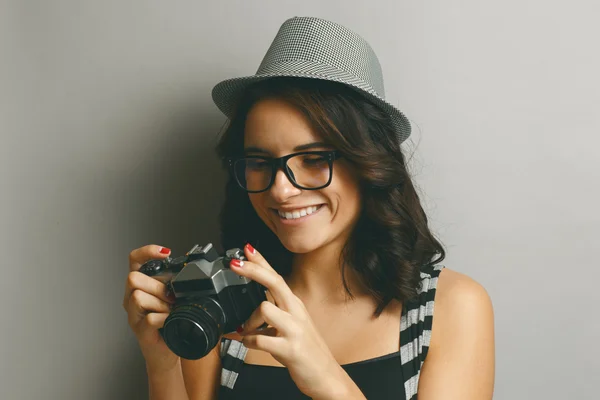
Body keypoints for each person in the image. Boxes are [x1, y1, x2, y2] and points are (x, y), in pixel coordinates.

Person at [123, 16, 495, 400]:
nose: (282, 190)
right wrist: (161, 358)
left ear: (369, 163)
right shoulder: (224, 302)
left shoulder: (449, 306)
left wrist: (324, 376)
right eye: (260, 162)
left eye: (314, 159)